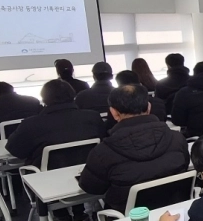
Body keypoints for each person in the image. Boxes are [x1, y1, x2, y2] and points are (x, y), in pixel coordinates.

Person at [77, 84, 189, 213]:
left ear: (114, 113)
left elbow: (91, 188)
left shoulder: (103, 152)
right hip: (175, 213)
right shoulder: (177, 139)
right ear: (149, 107)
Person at [5, 80, 106, 166]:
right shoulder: (93, 117)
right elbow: (103, 142)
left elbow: (15, 151)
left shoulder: (31, 124)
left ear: (44, 99)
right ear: (73, 95)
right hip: (88, 174)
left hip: (45, 180)